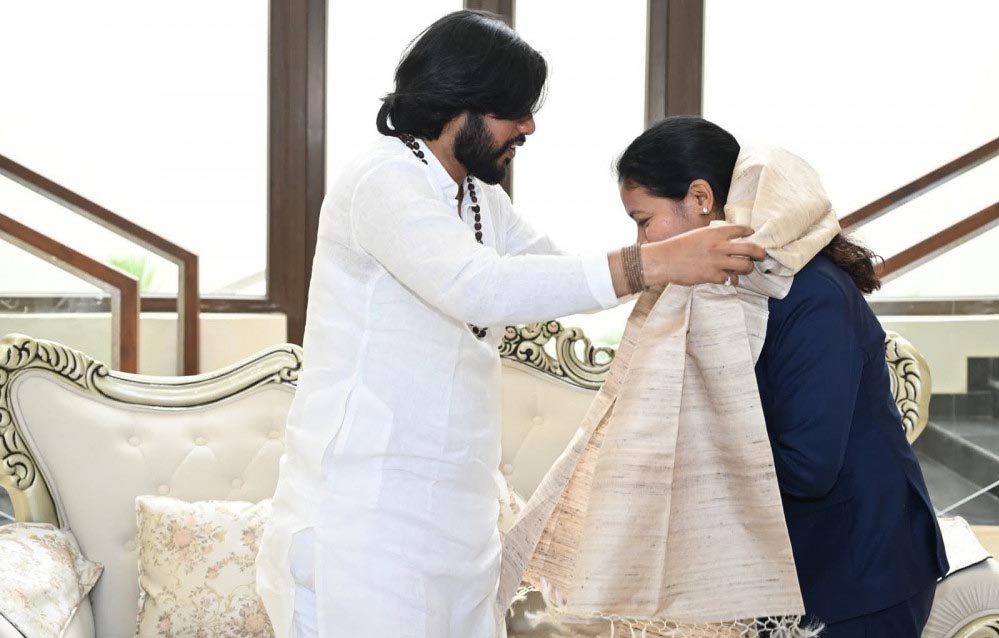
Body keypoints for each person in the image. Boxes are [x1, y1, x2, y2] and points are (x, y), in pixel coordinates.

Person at [255, 12, 766, 638]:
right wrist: (656, 262)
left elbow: (550, 273)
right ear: (459, 100)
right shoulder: (382, 179)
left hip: (457, 527)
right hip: (366, 526)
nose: (528, 127)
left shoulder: (479, 197)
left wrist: (686, 254)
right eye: (515, 110)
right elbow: (481, 288)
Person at [614, 116, 949, 637]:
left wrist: (688, 448)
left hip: (860, 575)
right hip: (796, 566)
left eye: (643, 220)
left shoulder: (810, 295)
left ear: (700, 198)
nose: (641, 242)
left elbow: (809, 467)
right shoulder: (731, 288)